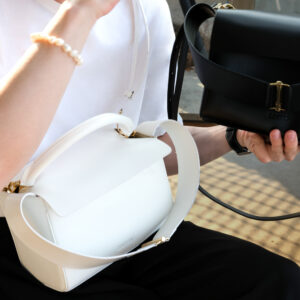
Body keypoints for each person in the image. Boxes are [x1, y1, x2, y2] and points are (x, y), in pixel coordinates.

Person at [0, 0, 299, 299]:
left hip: (127, 221)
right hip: (21, 240)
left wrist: (235, 136)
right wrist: (81, 12)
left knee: (281, 282)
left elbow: (153, 145)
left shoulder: (143, 8)